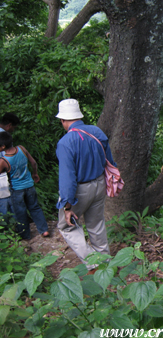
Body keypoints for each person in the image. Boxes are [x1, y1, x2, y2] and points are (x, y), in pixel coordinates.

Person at [55, 99, 116, 272]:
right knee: (96, 225)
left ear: (63, 120)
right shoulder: (96, 131)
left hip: (80, 190)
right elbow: (109, 161)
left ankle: (94, 262)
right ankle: (105, 263)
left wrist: (67, 206)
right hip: (100, 184)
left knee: (67, 226)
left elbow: (67, 178)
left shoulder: (66, 142)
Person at [0, 132, 49, 239]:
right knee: (35, 208)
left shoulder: (3, 161)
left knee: (20, 212)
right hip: (29, 185)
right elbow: (33, 162)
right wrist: (35, 173)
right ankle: (44, 230)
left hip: (17, 189)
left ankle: (25, 236)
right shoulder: (21, 148)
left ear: (3, 146)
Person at [0, 113, 20, 219]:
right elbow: (8, 157)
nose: (13, 130)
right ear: (9, 125)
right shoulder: (5, 137)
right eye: (14, 128)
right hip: (4, 176)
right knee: (8, 203)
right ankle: (13, 227)